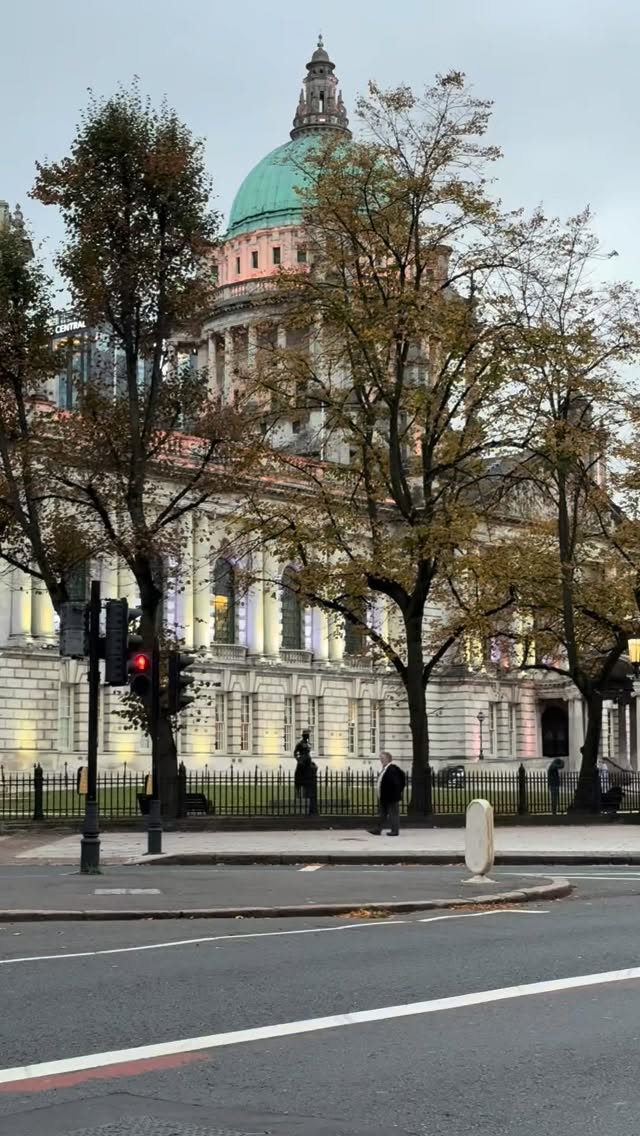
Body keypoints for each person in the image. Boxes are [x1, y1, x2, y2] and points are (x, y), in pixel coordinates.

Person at [369, 751, 406, 836]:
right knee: (382, 814)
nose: (381, 760)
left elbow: (397, 783)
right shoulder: (386, 769)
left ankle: (395, 831)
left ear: (388, 759)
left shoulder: (392, 769)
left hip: (390, 797)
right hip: (384, 797)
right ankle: (378, 829)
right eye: (380, 758)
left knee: (393, 814)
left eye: (383, 758)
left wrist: (395, 793)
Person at [293, 729, 318, 816]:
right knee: (299, 771)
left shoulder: (308, 744)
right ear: (304, 735)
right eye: (306, 735)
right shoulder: (300, 744)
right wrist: (298, 759)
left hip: (308, 760)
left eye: (308, 735)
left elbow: (309, 754)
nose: (308, 736)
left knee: (314, 767)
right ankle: (299, 786)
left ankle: (309, 785)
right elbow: (295, 753)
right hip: (302, 761)